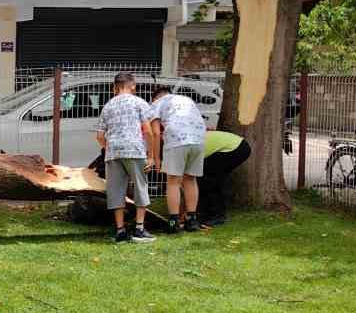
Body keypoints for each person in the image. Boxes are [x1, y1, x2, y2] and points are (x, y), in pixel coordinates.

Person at [96, 72, 160, 244]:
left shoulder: (108, 106)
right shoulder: (139, 102)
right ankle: (139, 229)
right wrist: (152, 156)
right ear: (133, 86)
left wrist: (109, 147)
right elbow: (147, 130)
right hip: (134, 150)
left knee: (116, 191)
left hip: (114, 153)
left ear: (115, 87)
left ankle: (120, 231)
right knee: (140, 187)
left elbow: (100, 135)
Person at [151, 89, 207, 233]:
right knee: (190, 179)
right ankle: (192, 220)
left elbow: (156, 133)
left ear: (155, 98)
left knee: (173, 181)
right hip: (199, 139)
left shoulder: (157, 103)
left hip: (177, 139)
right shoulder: (185, 99)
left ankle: (173, 222)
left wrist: (156, 158)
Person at [199, 130, 251, 226]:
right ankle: (209, 214)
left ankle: (216, 216)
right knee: (212, 180)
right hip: (238, 145)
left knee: (207, 181)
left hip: (233, 148)